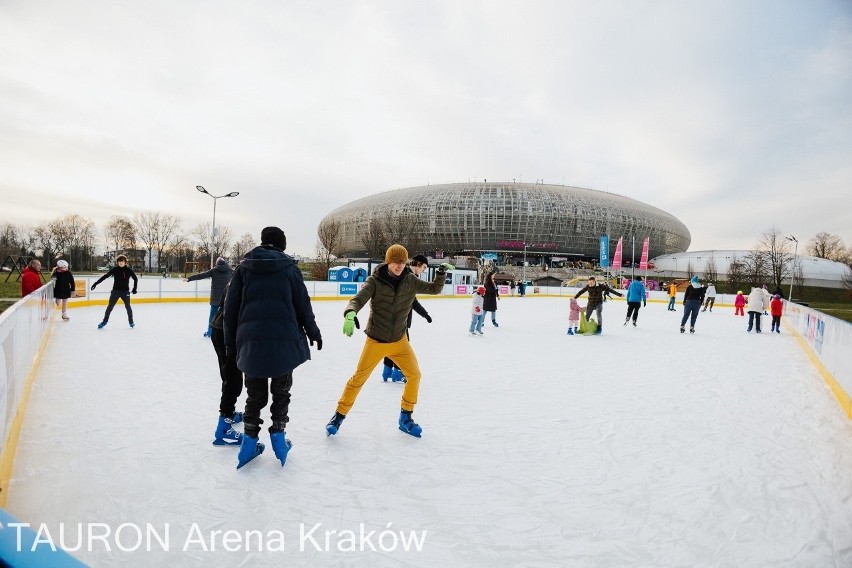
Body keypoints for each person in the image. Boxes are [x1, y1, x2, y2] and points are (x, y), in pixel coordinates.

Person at [326, 244, 448, 439]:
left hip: (399, 341)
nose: (399, 266)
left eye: (402, 262)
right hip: (376, 340)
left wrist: (440, 273)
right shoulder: (375, 281)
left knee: (414, 375)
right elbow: (357, 299)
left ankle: (405, 418)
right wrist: (350, 313)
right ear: (388, 261)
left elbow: (434, 289)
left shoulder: (411, 280)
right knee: (358, 379)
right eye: (395, 262)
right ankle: (338, 417)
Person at [224, 226, 322, 469]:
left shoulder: (243, 269)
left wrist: (229, 344)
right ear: (282, 244)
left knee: (254, 395)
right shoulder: (290, 269)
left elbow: (230, 310)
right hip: (284, 342)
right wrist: (313, 332)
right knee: (281, 392)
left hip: (250, 342)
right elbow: (303, 305)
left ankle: (249, 442)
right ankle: (278, 437)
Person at [381, 255, 432, 383]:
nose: (424, 270)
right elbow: (413, 302)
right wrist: (425, 314)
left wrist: (425, 314)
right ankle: (397, 373)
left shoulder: (404, 274)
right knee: (402, 349)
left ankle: (386, 371)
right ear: (418, 264)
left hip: (392, 319)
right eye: (424, 267)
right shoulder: (409, 277)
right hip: (400, 320)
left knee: (391, 346)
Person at [210, 285, 245, 446]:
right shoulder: (246, 279)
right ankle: (223, 428)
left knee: (228, 376)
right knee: (233, 379)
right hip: (227, 332)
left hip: (219, 329)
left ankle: (229, 413)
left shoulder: (238, 276)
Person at [184, 256, 233, 338]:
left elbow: (201, 275)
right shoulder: (230, 271)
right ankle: (226, 331)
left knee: (213, 315)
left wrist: (189, 279)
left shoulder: (214, 271)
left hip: (215, 299)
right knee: (226, 315)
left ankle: (210, 331)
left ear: (216, 264)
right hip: (226, 298)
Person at [91, 255, 138, 329]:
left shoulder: (128, 270)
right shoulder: (115, 269)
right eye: (119, 261)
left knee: (128, 307)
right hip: (115, 291)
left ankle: (131, 321)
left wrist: (134, 289)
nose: (120, 263)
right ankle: (104, 321)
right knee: (110, 307)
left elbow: (135, 279)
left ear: (125, 262)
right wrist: (96, 283)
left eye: (122, 261)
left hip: (125, 292)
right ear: (117, 262)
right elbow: (105, 276)